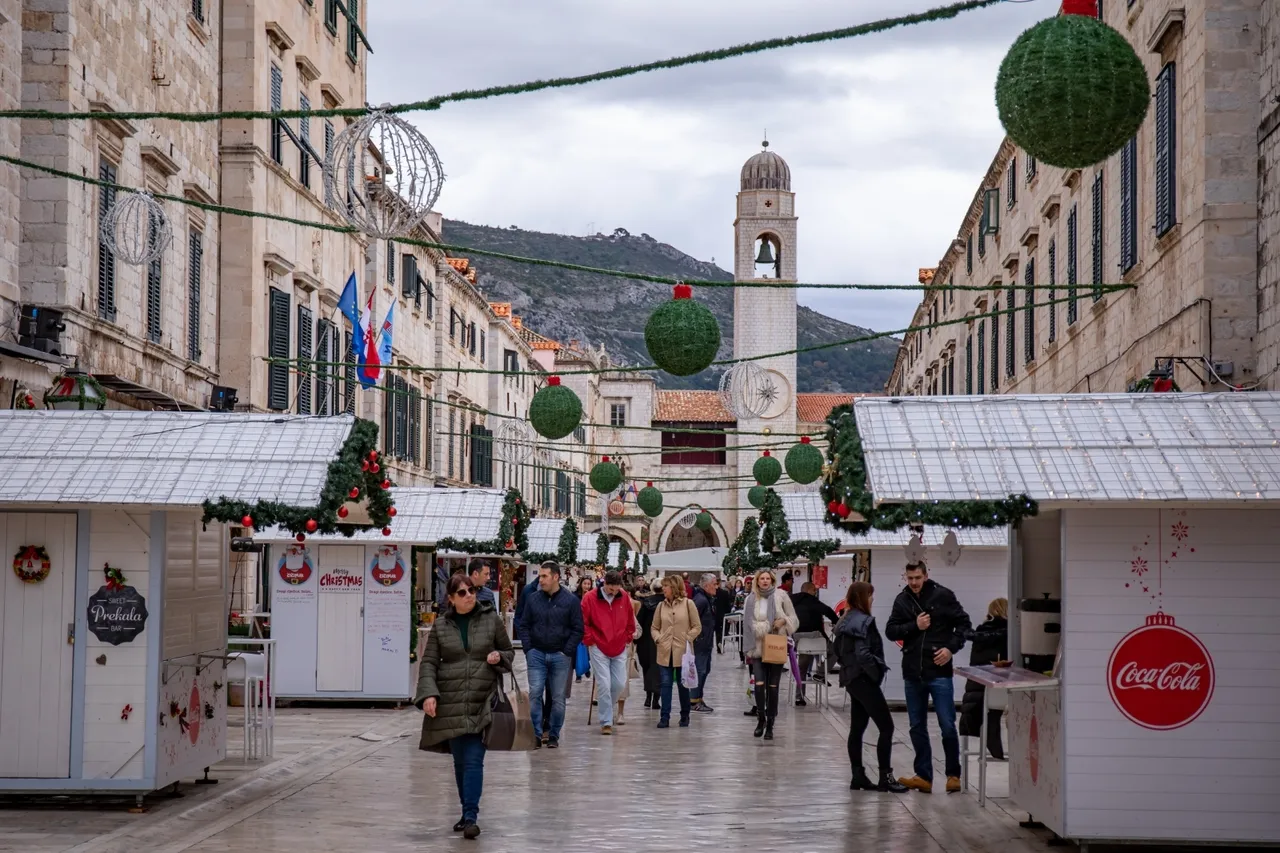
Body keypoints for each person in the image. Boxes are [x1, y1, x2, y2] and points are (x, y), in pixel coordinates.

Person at [415, 572, 513, 840]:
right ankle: (465, 811)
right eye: (462, 592)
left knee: (473, 760)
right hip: (451, 700)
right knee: (460, 762)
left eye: (470, 590)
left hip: (483, 699)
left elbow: (509, 652)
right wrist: (428, 695)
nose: (469, 595)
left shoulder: (491, 619)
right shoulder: (441, 626)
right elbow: (429, 662)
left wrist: (498, 656)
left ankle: (471, 816)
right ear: (451, 598)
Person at [885, 561, 972, 794]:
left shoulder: (943, 596)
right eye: (910, 578)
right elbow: (891, 630)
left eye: (917, 578)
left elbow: (964, 625)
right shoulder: (901, 600)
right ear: (905, 577)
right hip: (912, 672)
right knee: (916, 726)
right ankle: (923, 775)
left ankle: (953, 774)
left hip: (939, 672)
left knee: (947, 724)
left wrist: (950, 649)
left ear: (926, 575)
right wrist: (914, 625)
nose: (913, 582)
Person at [834, 581, 908, 793]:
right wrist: (876, 672)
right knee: (886, 727)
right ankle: (885, 777)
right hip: (863, 679)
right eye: (870, 595)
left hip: (851, 679)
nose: (872, 599)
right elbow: (863, 654)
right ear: (862, 598)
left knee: (857, 728)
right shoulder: (864, 621)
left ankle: (858, 776)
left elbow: (837, 650)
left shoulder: (844, 620)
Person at [515, 561, 583, 749]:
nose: (541, 579)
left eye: (544, 576)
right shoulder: (533, 599)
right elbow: (524, 624)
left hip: (560, 655)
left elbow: (578, 629)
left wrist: (567, 650)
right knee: (535, 693)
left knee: (558, 697)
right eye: (540, 576)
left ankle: (553, 734)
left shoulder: (570, 601)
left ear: (555, 577)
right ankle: (536, 733)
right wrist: (529, 648)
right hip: (537, 653)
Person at [742, 569, 798, 740]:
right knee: (759, 684)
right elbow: (748, 623)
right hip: (757, 648)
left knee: (773, 687)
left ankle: (771, 723)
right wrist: (766, 626)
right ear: (757, 581)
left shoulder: (781, 596)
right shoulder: (750, 599)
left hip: (775, 646)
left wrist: (784, 621)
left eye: (768, 578)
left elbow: (794, 618)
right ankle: (761, 718)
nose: (765, 581)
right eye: (762, 579)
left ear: (772, 580)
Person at [581, 570, 636, 736]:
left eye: (617, 589)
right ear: (605, 584)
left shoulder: (624, 596)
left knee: (619, 683)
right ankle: (606, 721)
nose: (615, 592)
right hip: (598, 644)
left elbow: (629, 616)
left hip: (619, 644)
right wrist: (590, 639)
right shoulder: (590, 598)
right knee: (604, 683)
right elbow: (584, 621)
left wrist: (628, 635)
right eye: (612, 589)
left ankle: (607, 710)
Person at [960, 598, 1009, 760]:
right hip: (998, 685)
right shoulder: (1009, 633)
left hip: (976, 685)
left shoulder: (980, 632)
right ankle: (998, 751)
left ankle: (994, 748)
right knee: (994, 716)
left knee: (985, 715)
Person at [650, 574, 701, 728]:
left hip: (682, 651)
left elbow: (697, 626)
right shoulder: (660, 606)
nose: (663, 588)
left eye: (666, 586)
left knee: (682, 684)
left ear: (674, 587)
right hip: (665, 651)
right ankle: (664, 717)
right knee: (665, 684)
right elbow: (654, 627)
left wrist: (688, 637)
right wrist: (658, 638)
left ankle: (685, 715)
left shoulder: (688, 604)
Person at [790, 581, 839, 707]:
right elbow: (829, 612)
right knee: (836, 649)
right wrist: (837, 622)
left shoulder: (791, 601)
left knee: (802, 666)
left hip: (798, 640)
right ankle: (821, 673)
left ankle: (799, 697)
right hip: (815, 639)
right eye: (814, 591)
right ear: (810, 590)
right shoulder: (813, 601)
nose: (815, 593)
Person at [689, 574, 718, 713]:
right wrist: (696, 637)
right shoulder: (700, 600)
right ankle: (694, 701)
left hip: (706, 642)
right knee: (699, 671)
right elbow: (691, 621)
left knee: (705, 670)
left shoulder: (707, 599)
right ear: (706, 586)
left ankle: (699, 698)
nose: (716, 586)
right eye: (714, 583)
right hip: (700, 643)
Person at [634, 579, 662, 710]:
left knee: (647, 669)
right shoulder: (666, 604)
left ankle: (648, 696)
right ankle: (656, 698)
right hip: (660, 641)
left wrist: (636, 641)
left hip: (645, 641)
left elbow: (639, 623)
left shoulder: (646, 603)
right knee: (659, 669)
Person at [573, 576, 596, 683]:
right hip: (577, 626)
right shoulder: (575, 597)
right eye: (585, 583)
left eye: (588, 584)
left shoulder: (593, 597)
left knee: (587, 650)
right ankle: (579, 673)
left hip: (588, 626)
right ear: (581, 584)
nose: (586, 586)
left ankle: (586, 667)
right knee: (578, 650)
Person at [714, 576, 735, 654]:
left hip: (714, 615)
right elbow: (727, 605)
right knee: (721, 631)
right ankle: (721, 644)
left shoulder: (711, 593)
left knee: (716, 632)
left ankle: (718, 645)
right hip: (722, 615)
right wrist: (728, 614)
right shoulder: (724, 593)